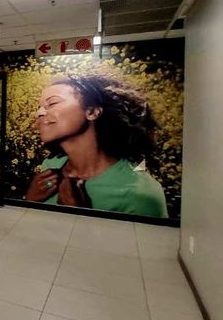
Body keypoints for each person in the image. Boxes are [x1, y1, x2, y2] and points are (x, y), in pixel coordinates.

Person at [24, 74, 168, 218]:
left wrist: (79, 216)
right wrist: (30, 201)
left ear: (92, 112)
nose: (39, 113)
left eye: (52, 103)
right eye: (39, 107)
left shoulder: (141, 195)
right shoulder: (50, 166)